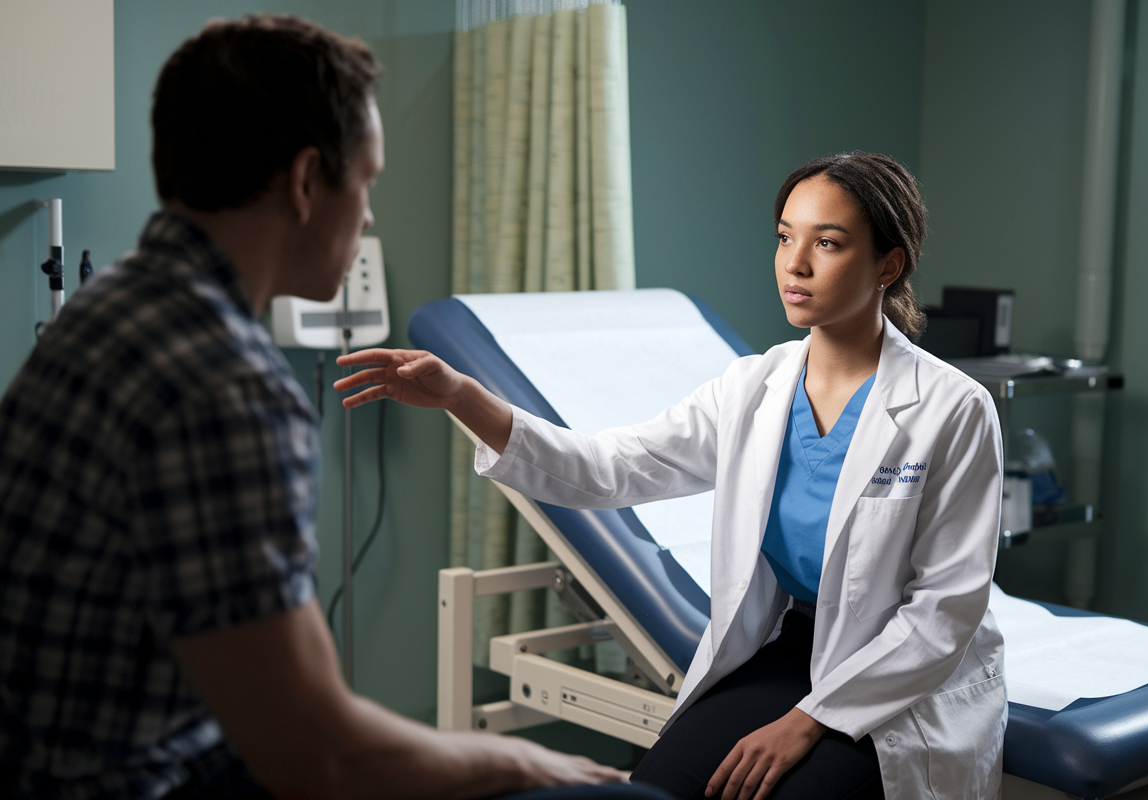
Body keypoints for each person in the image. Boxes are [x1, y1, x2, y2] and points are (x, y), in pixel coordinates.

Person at [0, 14, 674, 800]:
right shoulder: (229, 387)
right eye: (369, 182)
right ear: (305, 181)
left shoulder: (109, 303)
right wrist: (527, 761)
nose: (371, 216)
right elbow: (318, 757)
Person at [335, 151, 1007, 800]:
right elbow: (606, 470)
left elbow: (942, 614)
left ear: (889, 264)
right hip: (794, 645)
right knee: (657, 790)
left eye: (827, 243)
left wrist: (806, 723)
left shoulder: (950, 408)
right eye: (783, 238)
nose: (794, 264)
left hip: (901, 680)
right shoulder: (755, 386)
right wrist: (462, 397)